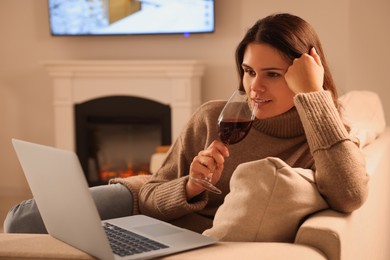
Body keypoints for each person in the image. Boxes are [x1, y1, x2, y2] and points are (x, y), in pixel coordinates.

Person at [4, 13, 369, 235]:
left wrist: (314, 96)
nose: (254, 88)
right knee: (20, 220)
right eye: (248, 71)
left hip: (184, 234)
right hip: (145, 206)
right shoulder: (214, 116)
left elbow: (350, 195)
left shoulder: (326, 130)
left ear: (306, 74)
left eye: (272, 74)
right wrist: (191, 187)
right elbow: (152, 191)